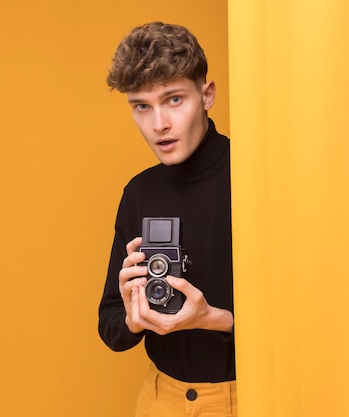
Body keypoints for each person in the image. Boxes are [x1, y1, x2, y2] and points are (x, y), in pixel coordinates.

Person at [98, 22, 236, 417]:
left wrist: (217, 320)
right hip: (160, 401)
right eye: (142, 106)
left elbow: (307, 326)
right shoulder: (138, 193)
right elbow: (111, 328)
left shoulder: (255, 178)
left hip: (249, 398)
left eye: (173, 100)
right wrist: (132, 316)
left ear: (206, 95)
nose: (158, 124)